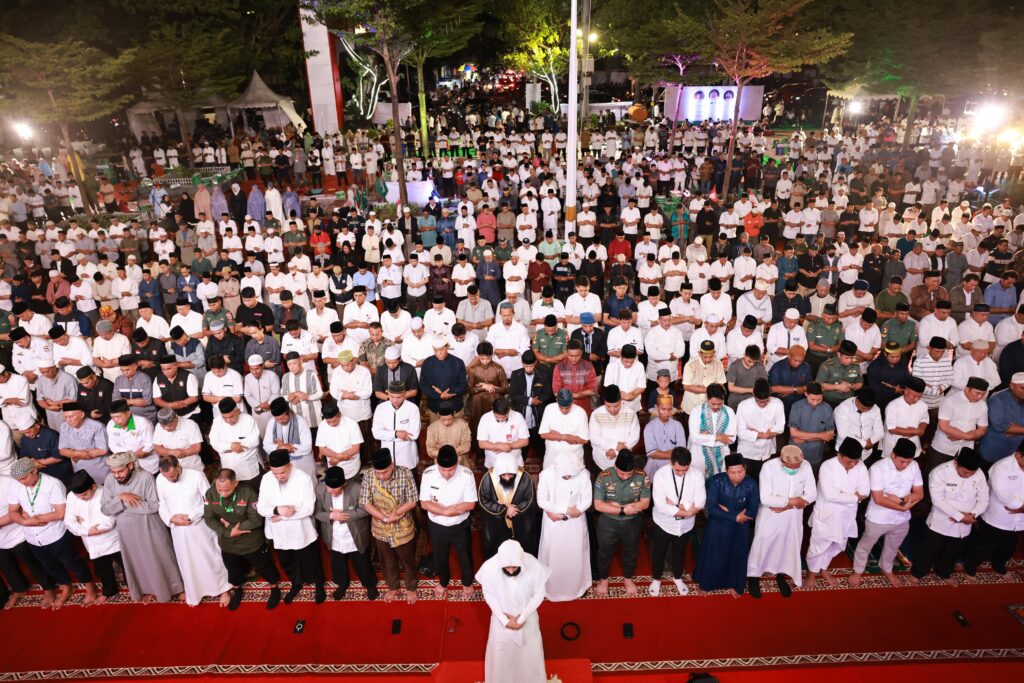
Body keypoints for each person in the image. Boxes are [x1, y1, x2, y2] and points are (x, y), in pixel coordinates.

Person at [7, 458, 100, 607]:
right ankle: (66, 588)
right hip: (32, 536)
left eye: (24, 478)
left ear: (34, 470)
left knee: (73, 562)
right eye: (19, 480)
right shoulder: (16, 485)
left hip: (55, 534)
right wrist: (25, 522)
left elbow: (60, 512)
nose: (22, 482)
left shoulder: (52, 484)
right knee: (49, 564)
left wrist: (37, 519)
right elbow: (12, 511)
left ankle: (90, 588)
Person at [99, 451, 185, 603]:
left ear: (131, 465)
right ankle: (149, 589)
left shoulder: (146, 477)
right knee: (139, 562)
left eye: (120, 471)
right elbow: (105, 509)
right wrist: (121, 497)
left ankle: (178, 588)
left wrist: (121, 505)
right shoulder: (110, 480)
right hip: (127, 532)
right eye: (114, 472)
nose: (117, 475)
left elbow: (152, 507)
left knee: (161, 558)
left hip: (149, 527)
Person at [156, 456, 233, 607]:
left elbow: (209, 500)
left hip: (199, 525)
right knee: (187, 561)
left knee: (210, 556)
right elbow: (162, 504)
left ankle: (224, 589)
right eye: (166, 477)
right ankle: (195, 592)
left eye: (172, 476)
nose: (170, 479)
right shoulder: (160, 479)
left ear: (178, 467)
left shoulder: (196, 475)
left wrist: (191, 516)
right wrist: (171, 518)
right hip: (178, 528)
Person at [203, 467, 283, 610]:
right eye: (219, 489)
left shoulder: (248, 493)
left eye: (226, 490)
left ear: (235, 483)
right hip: (228, 543)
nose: (222, 493)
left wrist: (235, 528)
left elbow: (256, 519)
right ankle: (238, 589)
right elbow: (209, 518)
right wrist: (228, 532)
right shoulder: (210, 493)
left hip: (251, 542)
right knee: (233, 570)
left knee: (265, 566)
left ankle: (274, 587)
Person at [910, 447, 989, 586]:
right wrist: (960, 516)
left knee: (953, 551)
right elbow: (938, 500)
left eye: (972, 473)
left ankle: (944, 572)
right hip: (941, 521)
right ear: (956, 463)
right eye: (965, 472)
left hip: (966, 522)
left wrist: (972, 514)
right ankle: (918, 573)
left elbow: (984, 498)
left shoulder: (979, 474)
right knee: (929, 550)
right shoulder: (940, 472)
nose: (969, 475)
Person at [746, 445, 817, 597]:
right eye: (791, 467)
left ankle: (781, 575)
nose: (795, 469)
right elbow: (766, 498)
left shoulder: (806, 466)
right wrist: (794, 501)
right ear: (782, 461)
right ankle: (753, 576)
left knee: (788, 545)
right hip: (770, 516)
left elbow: (812, 494)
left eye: (797, 466)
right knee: (763, 544)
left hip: (793, 515)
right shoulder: (769, 467)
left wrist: (787, 506)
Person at [476, 540, 550, 683]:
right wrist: (505, 621)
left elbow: (539, 594)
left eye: (514, 567)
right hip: (501, 621)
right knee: (502, 654)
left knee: (530, 654)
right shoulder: (490, 567)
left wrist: (521, 619)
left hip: (528, 618)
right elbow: (489, 596)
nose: (510, 571)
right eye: (507, 568)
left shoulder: (533, 565)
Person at [258, 449, 325, 604]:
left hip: (301, 529)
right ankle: (296, 582)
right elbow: (261, 507)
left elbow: (308, 509)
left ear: (289, 465)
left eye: (282, 473)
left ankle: (318, 583)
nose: (279, 477)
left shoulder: (303, 478)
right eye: (275, 473)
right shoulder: (267, 479)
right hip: (279, 532)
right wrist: (276, 509)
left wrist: (280, 516)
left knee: (310, 559)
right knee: (287, 560)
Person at [804, 438, 870, 586]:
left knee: (837, 545)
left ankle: (824, 568)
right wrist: (854, 496)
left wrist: (844, 495)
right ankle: (812, 573)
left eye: (856, 461)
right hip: (827, 514)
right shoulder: (827, 466)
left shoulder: (861, 466)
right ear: (839, 455)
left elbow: (865, 491)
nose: (853, 465)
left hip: (847, 516)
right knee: (818, 546)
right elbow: (830, 495)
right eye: (849, 462)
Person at [693, 454, 759, 597]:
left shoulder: (752, 484)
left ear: (745, 469)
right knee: (715, 556)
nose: (737, 476)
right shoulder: (717, 481)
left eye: (740, 472)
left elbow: (753, 510)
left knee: (737, 557)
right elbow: (712, 508)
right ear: (726, 470)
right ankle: (707, 584)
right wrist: (735, 516)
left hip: (739, 529)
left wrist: (729, 514)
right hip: (718, 527)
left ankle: (735, 585)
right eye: (732, 473)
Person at [359, 448, 419, 603]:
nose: (380, 476)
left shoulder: (405, 473)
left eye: (384, 472)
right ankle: (392, 586)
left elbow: (413, 500)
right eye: (378, 473)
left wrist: (397, 513)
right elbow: (366, 502)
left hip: (402, 526)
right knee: (387, 559)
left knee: (408, 559)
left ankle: (411, 587)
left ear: (392, 465)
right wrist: (385, 519)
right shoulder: (369, 476)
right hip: (381, 527)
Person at [419, 445, 477, 597]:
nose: (446, 474)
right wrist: (446, 511)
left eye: (450, 470)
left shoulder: (467, 474)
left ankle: (467, 582)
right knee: (440, 556)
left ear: (457, 463)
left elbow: (470, 504)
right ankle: (443, 581)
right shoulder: (428, 474)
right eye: (442, 470)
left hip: (460, 525)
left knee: (464, 555)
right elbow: (425, 503)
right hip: (437, 526)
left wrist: (444, 510)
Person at [314, 465, 378, 601]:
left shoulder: (356, 489)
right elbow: (317, 513)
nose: (333, 493)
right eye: (330, 490)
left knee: (362, 563)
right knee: (338, 564)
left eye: (337, 491)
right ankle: (342, 584)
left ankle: (370, 585)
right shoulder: (320, 490)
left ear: (344, 484)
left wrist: (344, 515)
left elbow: (365, 510)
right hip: (333, 535)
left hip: (354, 533)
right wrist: (331, 516)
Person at [592, 449, 651, 597]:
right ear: (615, 467)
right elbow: (598, 505)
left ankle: (628, 578)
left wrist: (614, 506)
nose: (625, 477)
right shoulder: (604, 477)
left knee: (631, 552)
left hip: (632, 523)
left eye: (628, 474)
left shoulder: (641, 476)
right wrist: (624, 509)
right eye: (621, 473)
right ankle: (604, 579)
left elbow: (645, 503)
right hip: (608, 522)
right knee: (604, 553)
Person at [649, 447, 705, 597]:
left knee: (679, 553)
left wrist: (674, 505)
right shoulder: (661, 475)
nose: (681, 473)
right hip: (663, 523)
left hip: (686, 525)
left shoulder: (697, 474)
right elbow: (660, 505)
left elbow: (700, 502)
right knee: (659, 552)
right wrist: (688, 509)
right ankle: (656, 579)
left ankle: (678, 577)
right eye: (677, 470)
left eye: (685, 470)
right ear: (671, 462)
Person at [537, 452, 593, 602]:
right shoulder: (546, 475)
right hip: (553, 522)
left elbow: (586, 499)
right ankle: (551, 590)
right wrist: (567, 510)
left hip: (575, 522)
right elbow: (542, 501)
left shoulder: (583, 475)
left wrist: (574, 511)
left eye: (570, 475)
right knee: (553, 555)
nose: (567, 477)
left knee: (576, 555)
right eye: (564, 476)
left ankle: (577, 588)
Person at [965, 447, 1024, 576]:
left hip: (1019, 520)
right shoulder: (1002, 467)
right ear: (1019, 454)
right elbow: (1005, 496)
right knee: (984, 544)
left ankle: (999, 564)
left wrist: (1021, 508)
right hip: (999, 517)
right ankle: (971, 565)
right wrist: (1020, 507)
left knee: (1009, 546)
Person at [478, 452, 540, 559]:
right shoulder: (488, 478)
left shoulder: (524, 477)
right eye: (503, 475)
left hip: (519, 519)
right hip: (496, 520)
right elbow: (483, 500)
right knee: (496, 550)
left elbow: (529, 499)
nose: (507, 478)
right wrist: (504, 510)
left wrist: (514, 509)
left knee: (523, 548)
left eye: (511, 474)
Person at [687, 384, 737, 478]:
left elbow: (730, 439)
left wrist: (704, 437)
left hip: (722, 456)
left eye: (720, 403)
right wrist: (718, 437)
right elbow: (694, 437)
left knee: (718, 484)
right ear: (707, 398)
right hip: (699, 456)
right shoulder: (696, 411)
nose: (716, 407)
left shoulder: (729, 412)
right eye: (713, 403)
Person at [371, 381, 421, 470]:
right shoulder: (380, 408)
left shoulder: (413, 408)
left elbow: (414, 435)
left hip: (407, 455)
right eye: (392, 397)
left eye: (399, 397)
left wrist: (385, 434)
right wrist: (396, 434)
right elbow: (376, 434)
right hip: (387, 455)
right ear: (388, 393)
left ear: (404, 394)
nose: (395, 400)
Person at [262, 397, 315, 477]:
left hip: (302, 464)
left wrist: (282, 447)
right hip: (282, 466)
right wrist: (281, 447)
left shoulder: (301, 422)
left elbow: (307, 447)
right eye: (277, 419)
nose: (279, 421)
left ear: (289, 412)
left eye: (282, 418)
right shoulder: (272, 422)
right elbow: (266, 445)